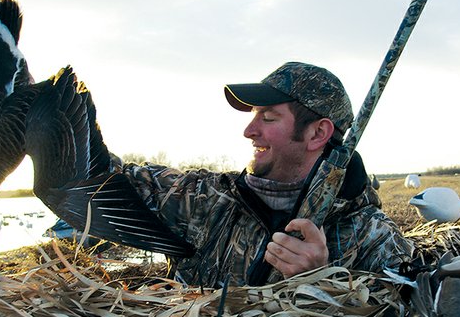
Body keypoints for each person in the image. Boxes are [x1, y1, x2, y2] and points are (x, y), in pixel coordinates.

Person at [116, 61, 414, 287]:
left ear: (318, 133)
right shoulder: (204, 199)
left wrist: (321, 284)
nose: (248, 131)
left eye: (268, 117)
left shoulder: (373, 239)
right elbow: (105, 176)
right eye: (254, 116)